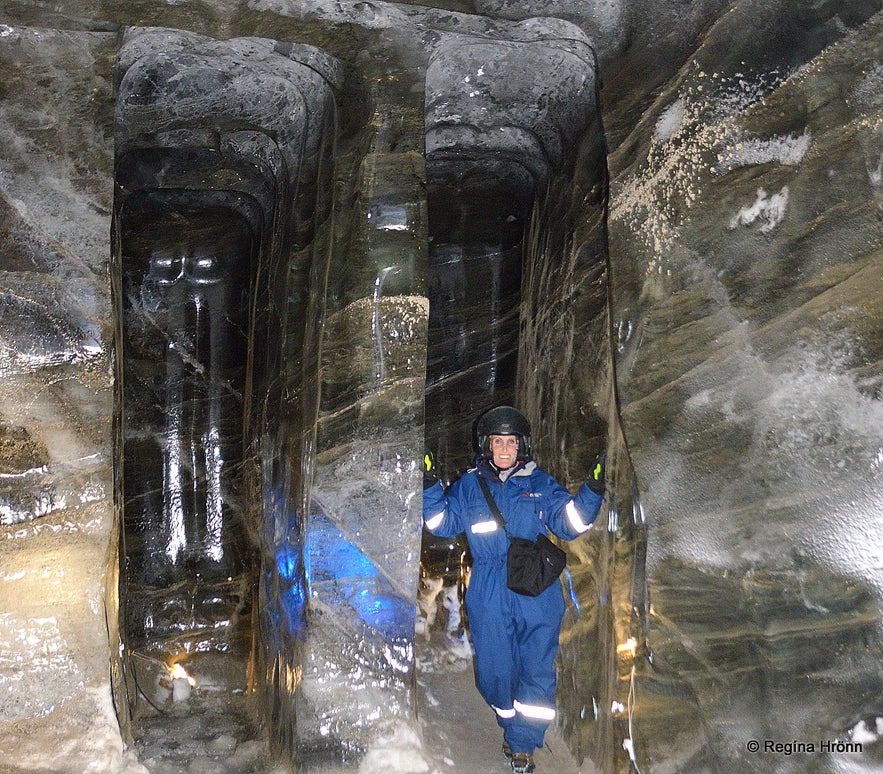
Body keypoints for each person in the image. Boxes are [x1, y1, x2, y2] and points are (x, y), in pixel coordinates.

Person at [422, 405, 605, 774]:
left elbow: (570, 524)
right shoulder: (471, 485)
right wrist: (429, 485)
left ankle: (523, 743)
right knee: (495, 671)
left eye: (511, 442)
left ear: (522, 446)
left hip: (535, 588)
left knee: (537, 668)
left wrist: (593, 490)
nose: (504, 450)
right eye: (497, 442)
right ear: (485, 446)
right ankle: (509, 721)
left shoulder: (539, 484)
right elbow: (441, 523)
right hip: (489, 588)